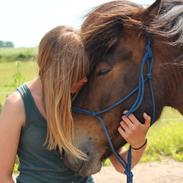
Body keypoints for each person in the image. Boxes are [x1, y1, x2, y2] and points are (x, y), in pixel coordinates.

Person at [0, 25, 151, 183]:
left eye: (86, 72)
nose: (85, 80)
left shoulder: (85, 99)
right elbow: (3, 176)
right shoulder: (17, 106)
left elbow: (122, 166)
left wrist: (138, 143)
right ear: (59, 73)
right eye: (78, 74)